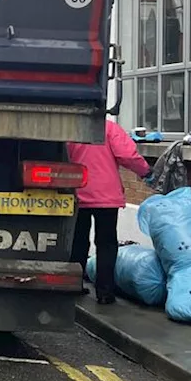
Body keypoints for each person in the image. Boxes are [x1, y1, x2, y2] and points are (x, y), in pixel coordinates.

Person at [66, 117, 151, 305]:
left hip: (78, 192)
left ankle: (74, 286)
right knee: (106, 244)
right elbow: (127, 155)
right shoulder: (109, 128)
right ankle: (105, 293)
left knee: (78, 241)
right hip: (106, 196)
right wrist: (145, 171)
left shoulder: (71, 129)